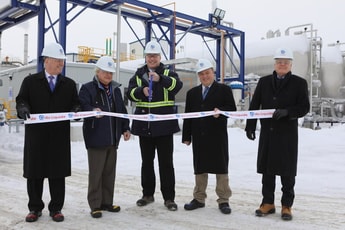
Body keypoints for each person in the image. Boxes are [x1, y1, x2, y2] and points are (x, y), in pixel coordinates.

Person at [16, 42, 80, 223]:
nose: (61, 64)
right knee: (35, 172)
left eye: (62, 61)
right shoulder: (30, 81)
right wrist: (22, 108)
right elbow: (22, 100)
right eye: (58, 61)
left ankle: (56, 208)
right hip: (37, 136)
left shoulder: (68, 84)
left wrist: (76, 109)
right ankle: (34, 208)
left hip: (59, 136)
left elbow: (75, 103)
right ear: (46, 61)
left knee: (57, 173)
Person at [245, 47, 310, 221]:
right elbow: (255, 105)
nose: (282, 65)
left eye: (285, 62)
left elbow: (304, 107)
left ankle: (287, 205)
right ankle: (267, 203)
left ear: (290, 65)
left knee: (287, 172)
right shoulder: (264, 82)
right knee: (267, 171)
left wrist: (288, 112)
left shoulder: (299, 83)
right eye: (279, 62)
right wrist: (250, 126)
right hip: (268, 133)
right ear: (275, 64)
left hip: (287, 135)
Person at [126, 40, 183, 211]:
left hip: (164, 126)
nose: (152, 59)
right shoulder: (138, 74)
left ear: (159, 57)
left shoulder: (168, 73)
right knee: (147, 162)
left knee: (166, 163)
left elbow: (176, 86)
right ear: (146, 57)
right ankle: (147, 194)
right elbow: (129, 94)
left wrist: (161, 79)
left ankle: (169, 198)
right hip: (145, 126)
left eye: (155, 56)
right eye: (149, 56)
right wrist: (140, 92)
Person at [182, 59, 237, 215]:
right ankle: (199, 198)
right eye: (201, 74)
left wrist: (221, 111)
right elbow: (188, 115)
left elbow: (231, 109)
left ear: (213, 73)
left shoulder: (224, 90)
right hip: (199, 136)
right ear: (198, 76)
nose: (205, 76)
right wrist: (187, 136)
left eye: (207, 73)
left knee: (221, 168)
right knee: (200, 168)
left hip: (217, 136)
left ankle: (224, 200)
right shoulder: (192, 93)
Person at [78, 56, 131, 218]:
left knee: (109, 173)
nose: (109, 75)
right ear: (98, 72)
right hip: (96, 138)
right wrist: (92, 111)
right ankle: (95, 204)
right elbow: (82, 107)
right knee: (96, 173)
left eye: (111, 73)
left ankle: (107, 202)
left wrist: (125, 128)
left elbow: (121, 111)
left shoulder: (115, 90)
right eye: (106, 72)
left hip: (113, 139)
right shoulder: (87, 89)